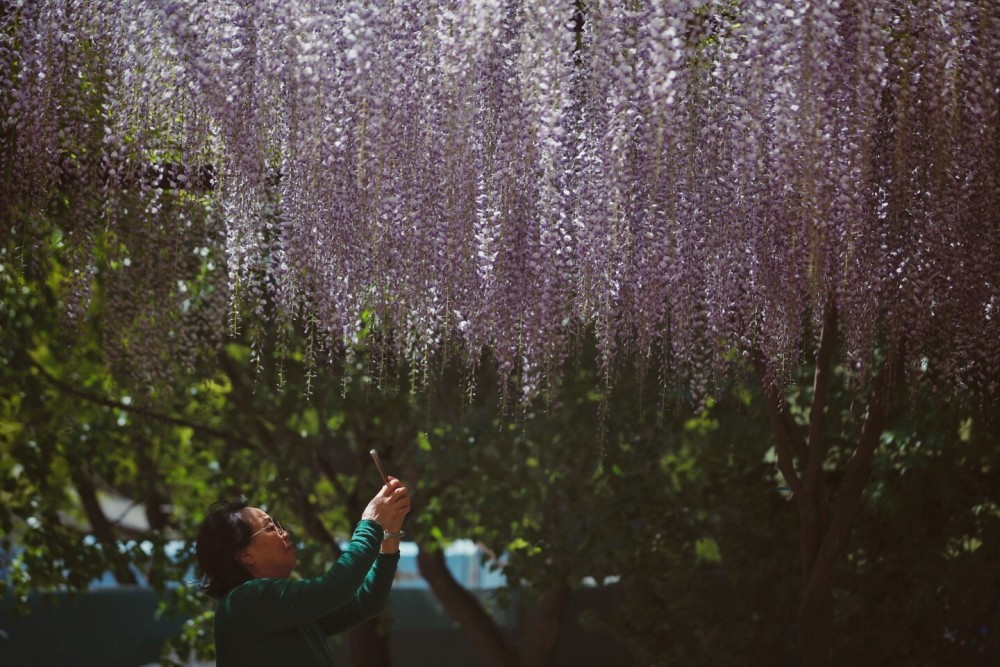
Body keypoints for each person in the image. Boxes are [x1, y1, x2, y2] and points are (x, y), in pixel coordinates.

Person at [195, 477, 410, 666]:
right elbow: (334, 589)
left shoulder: (280, 611)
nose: (285, 533)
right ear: (244, 554)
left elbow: (365, 604)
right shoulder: (244, 600)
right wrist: (371, 522)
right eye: (270, 528)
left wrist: (390, 535)